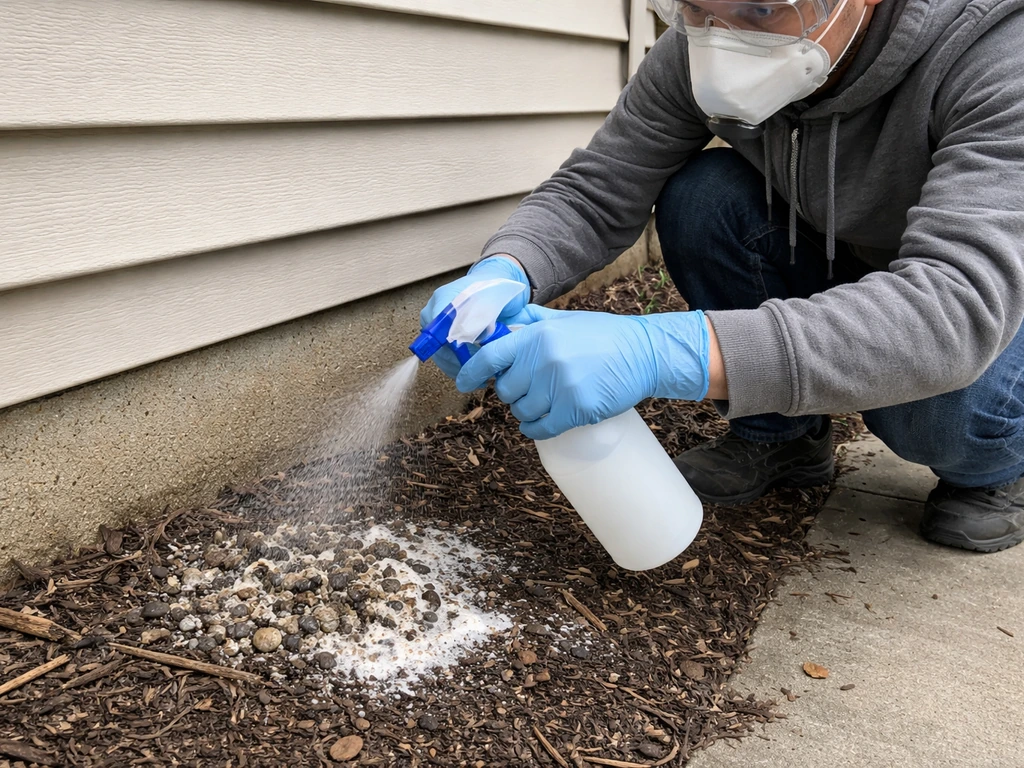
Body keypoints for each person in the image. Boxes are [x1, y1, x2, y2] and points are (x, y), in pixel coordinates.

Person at [420, 0, 1024, 553]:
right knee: (703, 198)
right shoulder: (696, 45)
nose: (721, 39)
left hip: (989, 284)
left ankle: (993, 467)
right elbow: (597, 188)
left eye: (760, 9)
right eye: (693, 8)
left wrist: (661, 349)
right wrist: (507, 268)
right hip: (854, 252)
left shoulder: (998, 52)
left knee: (930, 408)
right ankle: (781, 437)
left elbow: (956, 306)